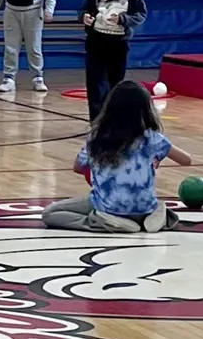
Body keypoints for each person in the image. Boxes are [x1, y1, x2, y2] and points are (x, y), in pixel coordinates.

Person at [43, 80, 193, 233]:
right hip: (144, 209)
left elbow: (77, 167)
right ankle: (157, 215)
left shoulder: (97, 137)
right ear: (146, 110)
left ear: (109, 108)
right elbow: (187, 160)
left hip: (108, 208)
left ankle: (99, 222)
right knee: (152, 203)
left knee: (50, 213)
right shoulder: (152, 138)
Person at [78, 0, 147, 119]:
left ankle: (113, 120)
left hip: (118, 45)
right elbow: (84, 9)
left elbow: (140, 13)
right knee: (95, 85)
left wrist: (124, 19)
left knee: (115, 85)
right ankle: (96, 122)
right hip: (96, 44)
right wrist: (85, 17)